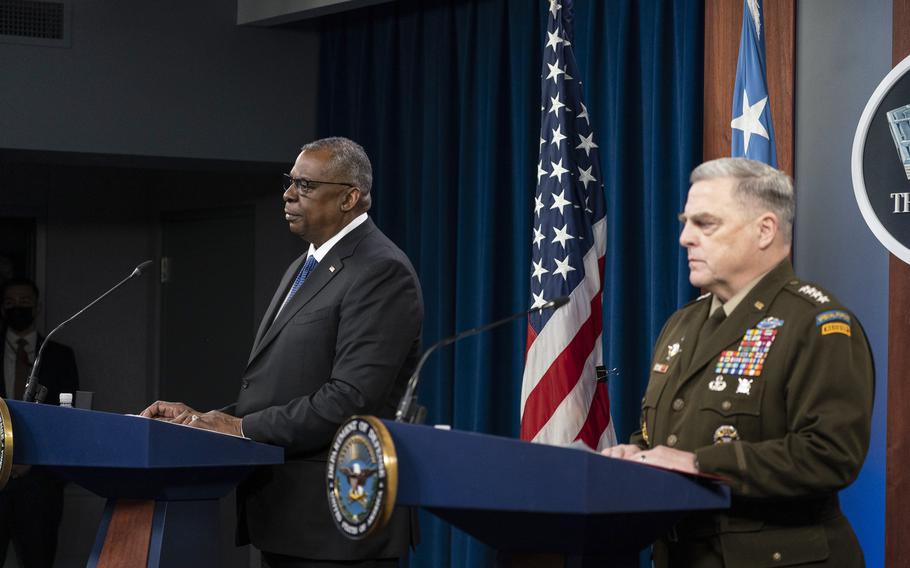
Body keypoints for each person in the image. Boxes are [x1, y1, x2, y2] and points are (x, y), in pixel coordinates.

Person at [141, 137, 424, 567]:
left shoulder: (380, 270)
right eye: (290, 182)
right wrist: (202, 420)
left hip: (336, 524)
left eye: (306, 185)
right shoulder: (303, 265)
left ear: (350, 197)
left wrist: (240, 427)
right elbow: (284, 387)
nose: (289, 194)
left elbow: (350, 400)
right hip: (286, 518)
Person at [603, 158, 874, 567]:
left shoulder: (816, 324)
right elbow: (663, 436)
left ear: (764, 230)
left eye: (704, 224)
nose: (684, 238)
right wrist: (637, 457)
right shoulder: (681, 325)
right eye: (685, 222)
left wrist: (700, 465)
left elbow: (831, 455)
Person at [0, 277, 80, 568]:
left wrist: (33, 458)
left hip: (40, 484)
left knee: (38, 559)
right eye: (10, 303)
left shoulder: (59, 356)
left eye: (24, 302)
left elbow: (65, 419)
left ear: (37, 306)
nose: (17, 308)